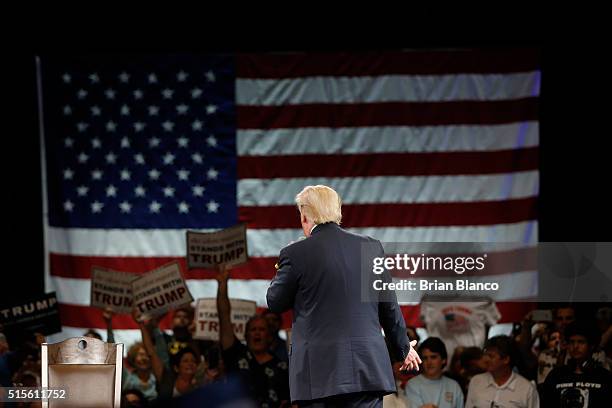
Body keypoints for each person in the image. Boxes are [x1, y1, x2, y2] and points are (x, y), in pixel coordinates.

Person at [266, 185, 421, 407]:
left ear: (304, 216)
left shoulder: (295, 253)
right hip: (366, 370)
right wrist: (403, 348)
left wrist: (282, 267)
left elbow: (275, 301)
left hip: (318, 375)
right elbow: (388, 307)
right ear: (337, 211)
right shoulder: (370, 247)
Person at [216, 264, 290, 407]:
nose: (257, 332)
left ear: (269, 336)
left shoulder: (282, 367)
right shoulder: (236, 354)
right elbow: (224, 317)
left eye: (261, 329)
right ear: (245, 334)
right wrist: (222, 285)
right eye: (253, 329)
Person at [541, 321, 612, 407]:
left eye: (581, 342)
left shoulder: (604, 377)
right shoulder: (556, 375)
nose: (575, 346)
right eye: (571, 342)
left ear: (591, 346)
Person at [465, 335, 539, 408]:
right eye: (485, 355)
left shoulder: (527, 389)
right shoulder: (476, 381)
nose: (486, 359)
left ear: (506, 359)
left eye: (491, 356)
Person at [404, 337, 464, 408]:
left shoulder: (454, 386)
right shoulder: (412, 385)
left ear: (443, 360)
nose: (429, 362)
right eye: (425, 358)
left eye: (433, 357)